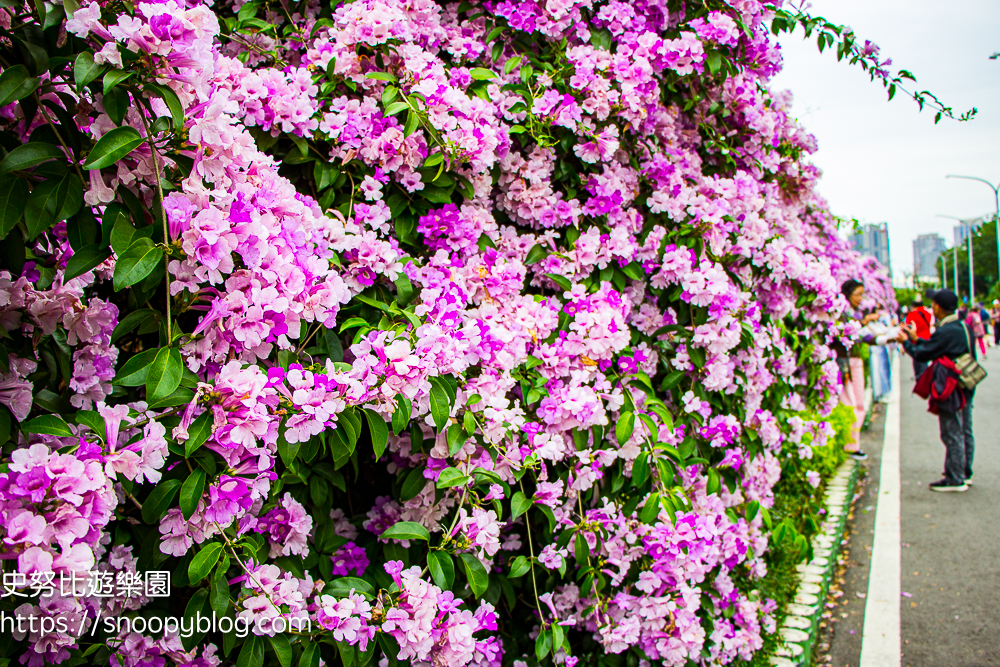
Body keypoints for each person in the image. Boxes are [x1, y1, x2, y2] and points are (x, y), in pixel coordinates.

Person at [897, 289, 975, 492]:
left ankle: (955, 478)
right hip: (966, 383)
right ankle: (964, 471)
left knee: (951, 431)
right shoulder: (963, 326)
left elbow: (923, 354)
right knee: (964, 429)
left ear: (938, 307)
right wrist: (916, 339)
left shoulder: (946, 330)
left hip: (951, 386)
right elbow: (936, 347)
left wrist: (905, 342)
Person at [835, 279, 896, 461]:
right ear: (848, 294)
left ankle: (854, 444)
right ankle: (850, 445)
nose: (861, 298)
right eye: (858, 294)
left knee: (859, 403)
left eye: (862, 294)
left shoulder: (856, 314)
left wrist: (889, 338)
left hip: (856, 361)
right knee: (850, 403)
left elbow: (865, 337)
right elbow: (842, 333)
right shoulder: (840, 312)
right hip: (844, 362)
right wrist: (863, 322)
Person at [904, 298, 933, 379]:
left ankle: (920, 377)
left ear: (913, 306)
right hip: (927, 338)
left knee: (917, 360)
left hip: (916, 340)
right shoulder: (928, 313)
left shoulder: (912, 314)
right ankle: (924, 376)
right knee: (925, 360)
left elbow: (907, 328)